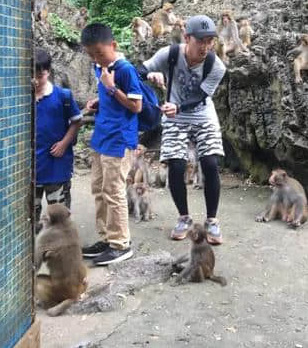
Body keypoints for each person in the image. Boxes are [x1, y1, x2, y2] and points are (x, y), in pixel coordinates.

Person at [141, 15, 226, 244]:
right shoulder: (168, 54)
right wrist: (151, 74)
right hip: (174, 117)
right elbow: (137, 72)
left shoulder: (215, 65)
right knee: (176, 164)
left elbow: (200, 97)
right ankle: (184, 218)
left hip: (202, 114)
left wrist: (177, 106)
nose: (206, 46)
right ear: (187, 37)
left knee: (210, 163)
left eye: (210, 41)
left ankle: (212, 221)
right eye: (201, 41)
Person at [80, 22, 143, 265]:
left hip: (119, 140)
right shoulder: (100, 67)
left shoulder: (125, 69)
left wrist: (112, 88)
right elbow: (112, 98)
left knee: (114, 192)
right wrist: (99, 99)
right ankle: (106, 238)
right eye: (91, 54)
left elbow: (136, 106)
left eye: (100, 53)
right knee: (99, 189)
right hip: (101, 138)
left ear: (113, 45)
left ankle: (120, 244)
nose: (97, 59)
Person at [34, 49, 82, 233]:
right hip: (32, 170)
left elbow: (77, 121)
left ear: (48, 71)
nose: (37, 80)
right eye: (34, 75)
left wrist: (64, 143)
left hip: (57, 167)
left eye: (41, 75)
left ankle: (62, 253)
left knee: (60, 218)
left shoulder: (63, 96)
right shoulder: (22, 98)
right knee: (31, 217)